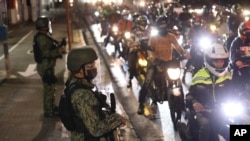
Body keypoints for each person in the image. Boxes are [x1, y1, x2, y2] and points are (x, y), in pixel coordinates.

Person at [66, 47, 126, 141]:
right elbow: (96, 129)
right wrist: (117, 119)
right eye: (90, 66)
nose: (94, 68)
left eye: (94, 64)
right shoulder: (83, 95)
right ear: (79, 69)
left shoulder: (77, 83)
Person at [137, 16, 190, 115]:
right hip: (155, 63)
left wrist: (184, 53)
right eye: (162, 27)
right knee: (147, 82)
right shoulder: (153, 38)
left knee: (177, 80)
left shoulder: (171, 36)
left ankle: (182, 105)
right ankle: (141, 104)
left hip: (169, 63)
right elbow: (150, 51)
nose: (164, 28)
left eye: (165, 26)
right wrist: (153, 58)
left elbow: (178, 47)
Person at [186, 43, 236, 141]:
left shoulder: (227, 75)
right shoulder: (199, 76)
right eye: (216, 61)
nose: (220, 64)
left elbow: (233, 91)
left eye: (222, 61)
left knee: (239, 123)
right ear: (208, 60)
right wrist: (195, 102)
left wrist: (243, 100)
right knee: (206, 125)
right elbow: (189, 95)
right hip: (205, 110)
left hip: (221, 109)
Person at [33, 16, 66, 117]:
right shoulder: (42, 38)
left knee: (51, 88)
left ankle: (51, 107)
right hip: (45, 67)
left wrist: (59, 45)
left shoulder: (43, 36)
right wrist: (59, 50)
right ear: (44, 26)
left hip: (48, 67)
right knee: (49, 90)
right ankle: (48, 111)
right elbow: (47, 53)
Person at [126, 15, 150, 88]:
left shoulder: (150, 31)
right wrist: (134, 45)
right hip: (136, 51)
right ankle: (130, 79)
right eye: (141, 22)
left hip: (148, 50)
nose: (143, 24)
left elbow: (156, 39)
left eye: (144, 22)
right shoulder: (133, 31)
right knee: (132, 65)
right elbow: (129, 42)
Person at [230, 20, 250, 90]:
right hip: (240, 68)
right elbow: (233, 55)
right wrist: (236, 61)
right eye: (245, 33)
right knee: (237, 80)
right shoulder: (236, 42)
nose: (246, 35)